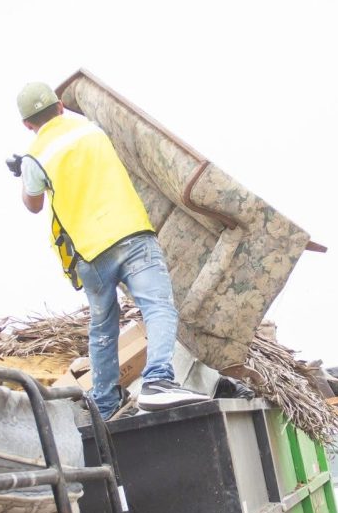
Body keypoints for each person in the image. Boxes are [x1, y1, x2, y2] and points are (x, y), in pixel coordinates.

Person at [11, 82, 206, 420]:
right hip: (130, 232)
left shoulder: (35, 157)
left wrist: (23, 173)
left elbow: (33, 205)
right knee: (157, 307)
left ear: (28, 125)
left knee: (103, 327)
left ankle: (104, 403)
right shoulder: (92, 129)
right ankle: (157, 382)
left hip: (89, 252)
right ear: (60, 107)